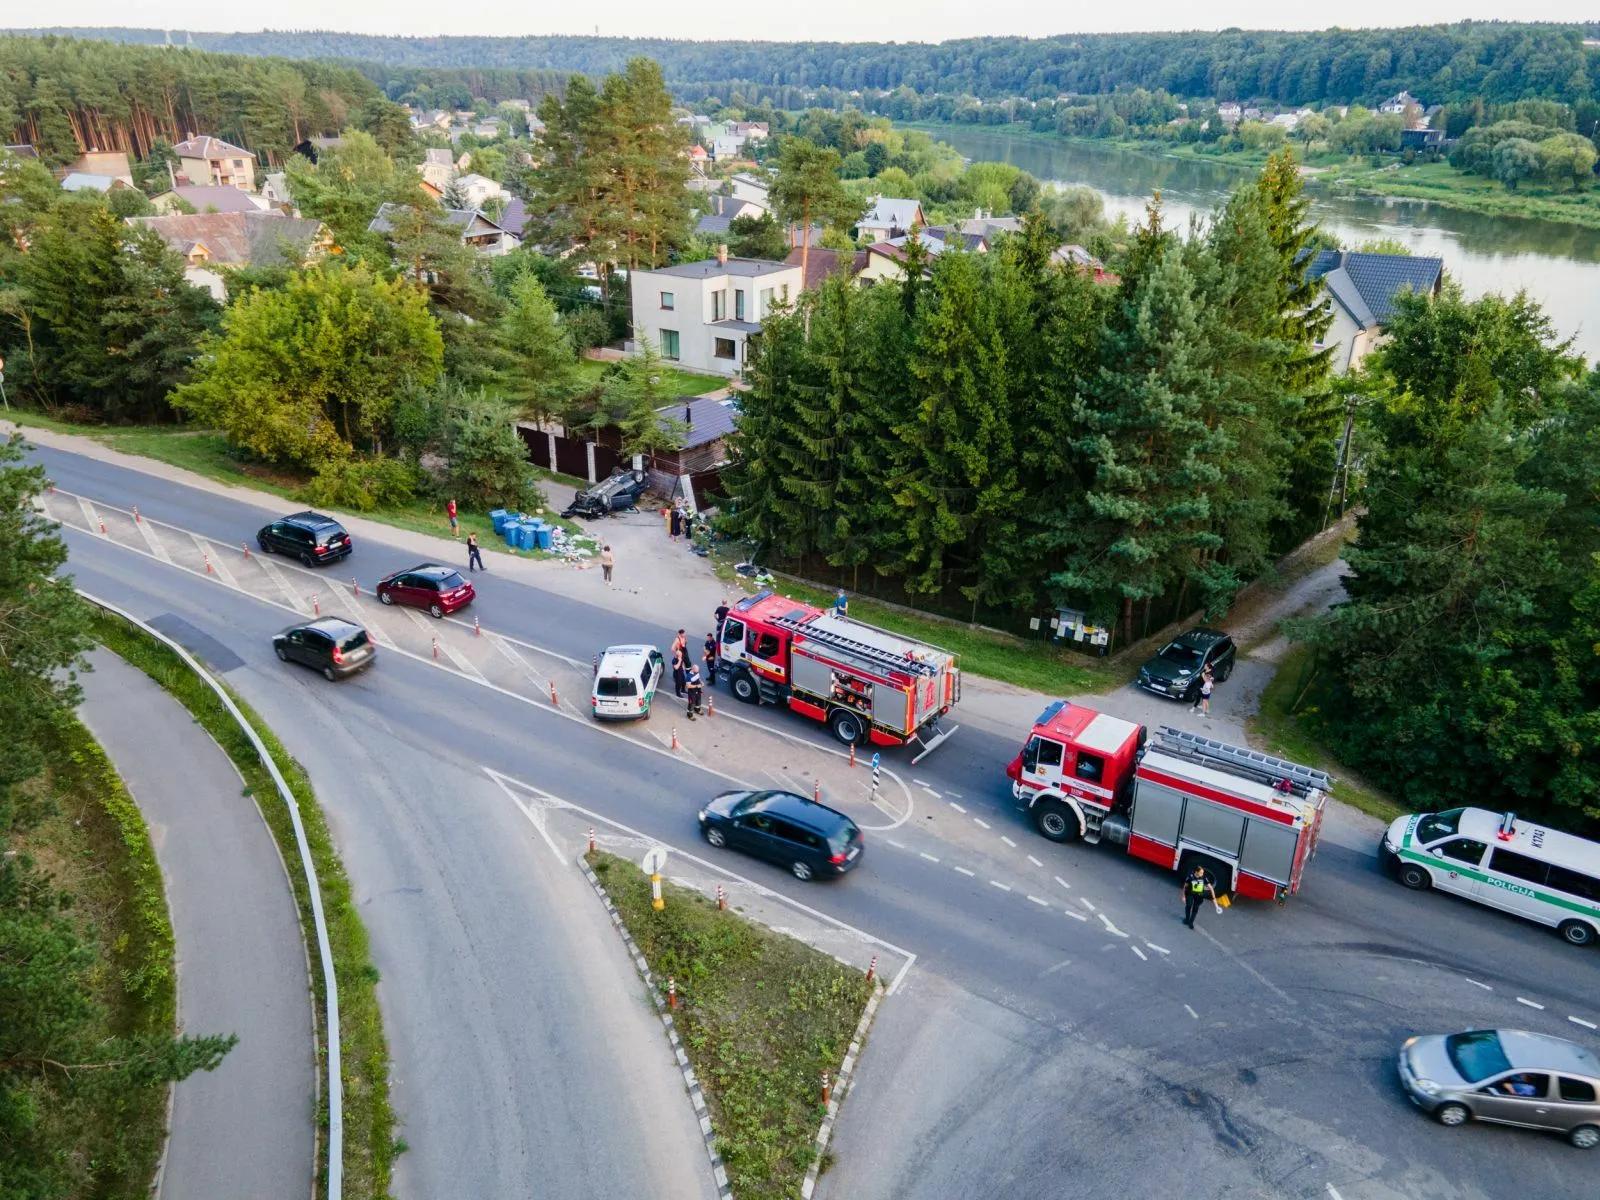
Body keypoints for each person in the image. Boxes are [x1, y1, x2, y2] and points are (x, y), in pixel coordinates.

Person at [1181, 863, 1216, 929]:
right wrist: (1183, 896)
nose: (1202, 874)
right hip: (1190, 894)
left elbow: (1211, 888)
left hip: (1199, 896)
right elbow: (1185, 887)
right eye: (1201, 873)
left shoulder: (1204, 878)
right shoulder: (1190, 877)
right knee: (1188, 906)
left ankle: (1191, 922)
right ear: (1196, 872)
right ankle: (1187, 919)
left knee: (1195, 909)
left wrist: (1214, 898)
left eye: (1203, 873)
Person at [671, 630, 688, 697]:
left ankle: (683, 690)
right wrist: (680, 661)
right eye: (680, 655)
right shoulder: (675, 660)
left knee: (683, 681)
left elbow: (682, 662)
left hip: (680, 670)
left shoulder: (680, 657)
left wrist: (683, 665)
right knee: (679, 682)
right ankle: (678, 693)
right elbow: (676, 667)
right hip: (677, 671)